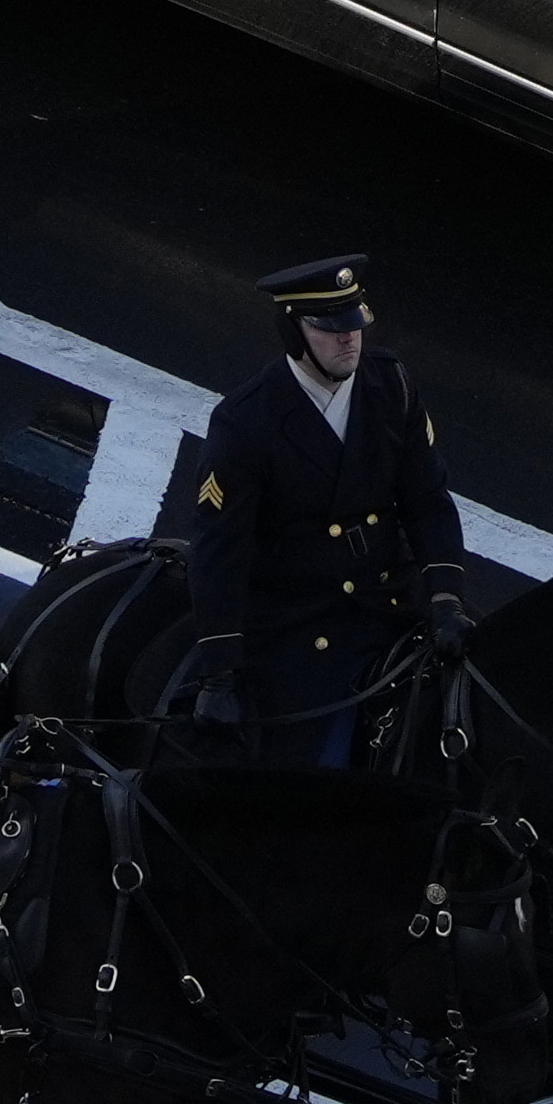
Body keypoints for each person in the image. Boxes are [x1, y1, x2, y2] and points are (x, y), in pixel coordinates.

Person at [179, 257, 471, 771]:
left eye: (356, 325)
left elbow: (427, 498)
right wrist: (220, 674)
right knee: (316, 775)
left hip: (391, 597)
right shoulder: (246, 422)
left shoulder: (390, 385)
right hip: (303, 622)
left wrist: (447, 599)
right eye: (330, 329)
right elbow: (218, 553)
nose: (349, 340)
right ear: (294, 331)